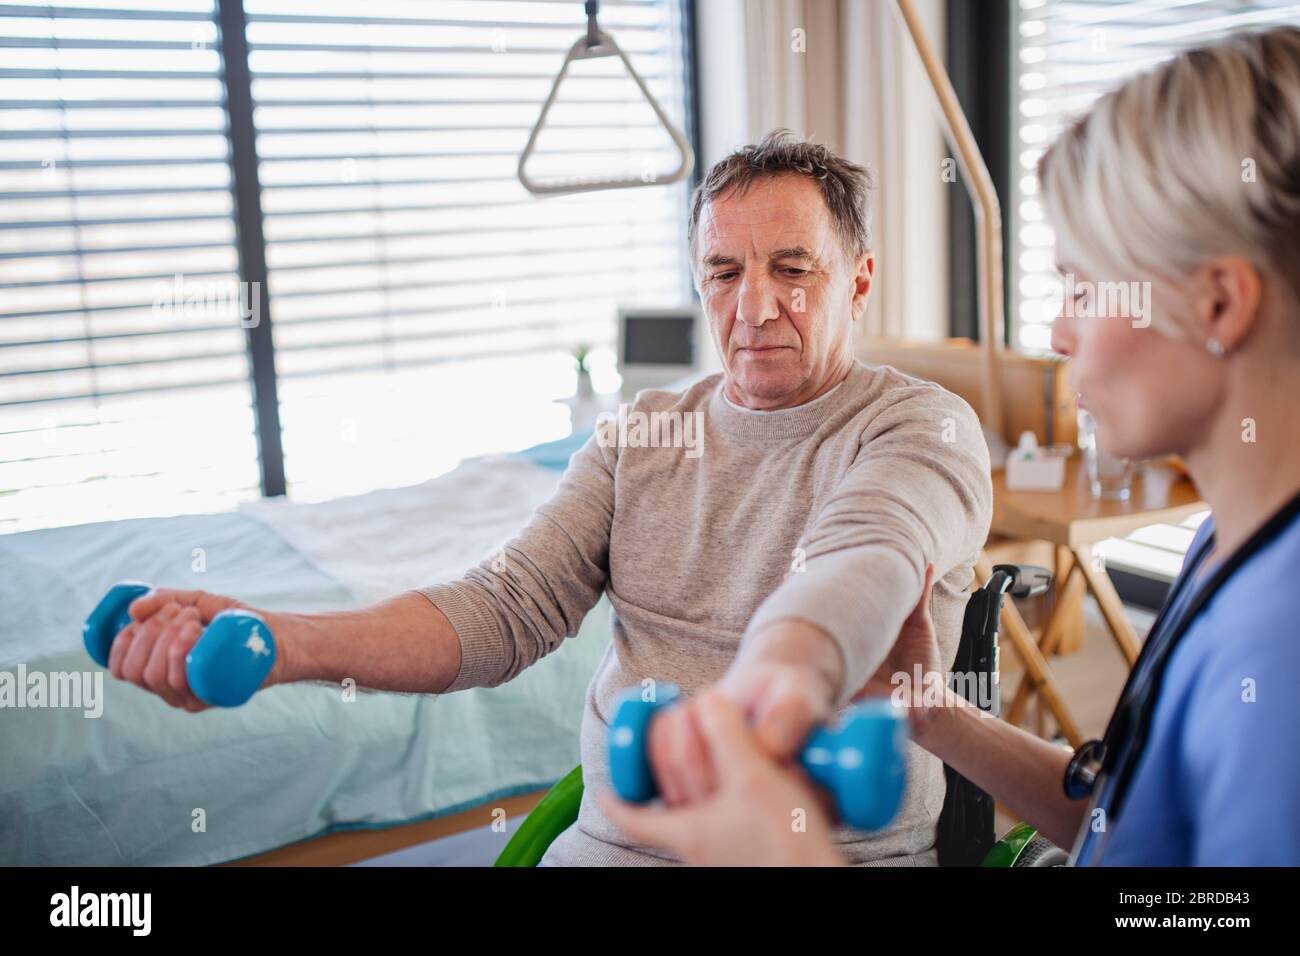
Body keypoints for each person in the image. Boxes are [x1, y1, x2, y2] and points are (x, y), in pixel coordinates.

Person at [109, 131, 993, 866]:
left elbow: (865, 558)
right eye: (723, 272)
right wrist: (282, 641)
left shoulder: (922, 428)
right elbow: (506, 606)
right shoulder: (640, 432)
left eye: (791, 267)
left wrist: (770, 686)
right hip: (619, 846)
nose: (754, 306)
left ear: (860, 279)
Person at [605, 25, 1300, 867]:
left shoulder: (1280, 642)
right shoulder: (1231, 544)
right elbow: (1127, 827)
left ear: (1220, 305)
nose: (1059, 328)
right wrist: (935, 712)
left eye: (1084, 286)